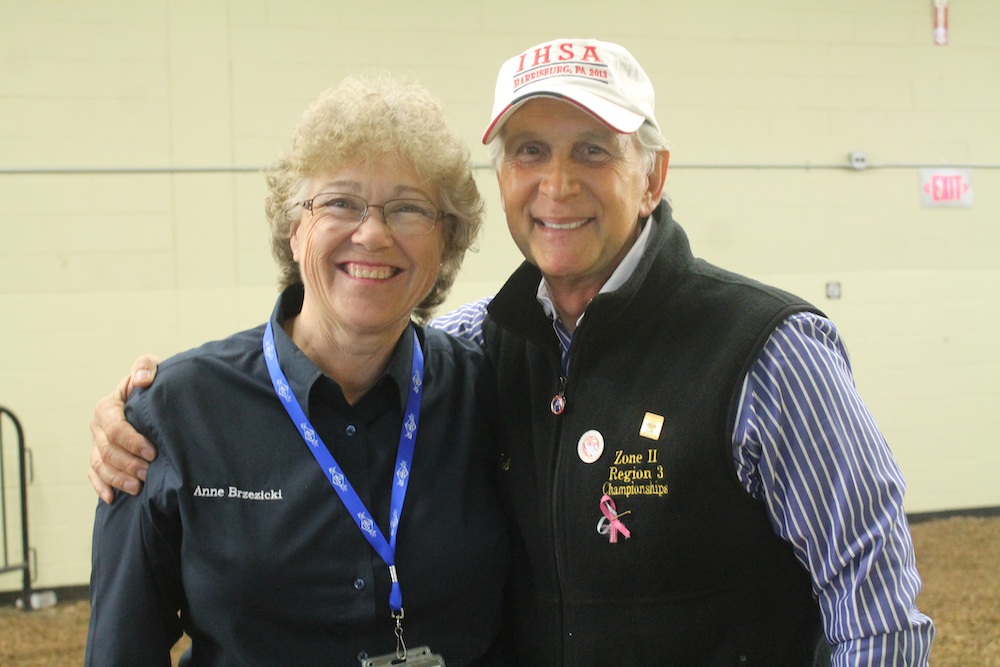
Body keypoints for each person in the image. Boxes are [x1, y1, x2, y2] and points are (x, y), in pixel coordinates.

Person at [90, 39, 935, 666]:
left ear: (653, 174)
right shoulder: (479, 351)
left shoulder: (768, 352)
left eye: (593, 151)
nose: (556, 183)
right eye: (530, 150)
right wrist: (140, 410)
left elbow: (879, 613)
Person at [85, 74, 510, 667]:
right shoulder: (174, 415)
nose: (373, 233)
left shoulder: (493, 398)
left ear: (448, 243)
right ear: (294, 228)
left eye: (409, 208)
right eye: (340, 202)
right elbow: (121, 652)